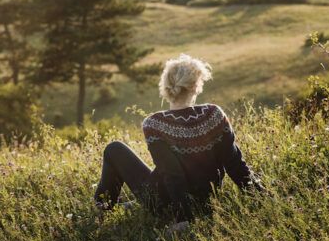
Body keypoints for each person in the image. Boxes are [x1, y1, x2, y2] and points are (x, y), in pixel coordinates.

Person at [93, 53, 262, 220]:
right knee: (162, 170)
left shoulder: (154, 123)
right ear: (196, 86)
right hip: (207, 200)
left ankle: (104, 205)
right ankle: (124, 205)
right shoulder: (214, 115)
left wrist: (184, 219)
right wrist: (261, 195)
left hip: (163, 204)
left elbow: (172, 174)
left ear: (165, 86)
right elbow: (234, 164)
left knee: (114, 149)